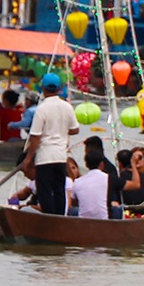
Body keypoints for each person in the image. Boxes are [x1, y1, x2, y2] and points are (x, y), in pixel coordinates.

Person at [19, 73, 78, 214]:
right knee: (59, 189)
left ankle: (49, 217)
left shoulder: (42, 109)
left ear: (43, 88)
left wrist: (28, 158)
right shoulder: (67, 107)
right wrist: (61, 130)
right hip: (60, 156)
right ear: (59, 89)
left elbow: (35, 137)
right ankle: (59, 217)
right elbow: (75, 129)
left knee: (44, 190)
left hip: (44, 156)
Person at [66, 151, 111, 219]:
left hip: (83, 218)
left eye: (74, 168)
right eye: (69, 169)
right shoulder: (107, 178)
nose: (72, 171)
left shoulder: (78, 182)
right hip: (99, 218)